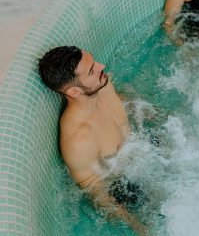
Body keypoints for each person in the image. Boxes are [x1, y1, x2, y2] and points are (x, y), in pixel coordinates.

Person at [38, 46, 147, 236]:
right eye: (91, 70)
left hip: (144, 148)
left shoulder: (101, 85)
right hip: (126, 185)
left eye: (94, 62)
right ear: (73, 91)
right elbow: (99, 195)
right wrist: (140, 228)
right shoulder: (79, 141)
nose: (101, 66)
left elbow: (127, 103)